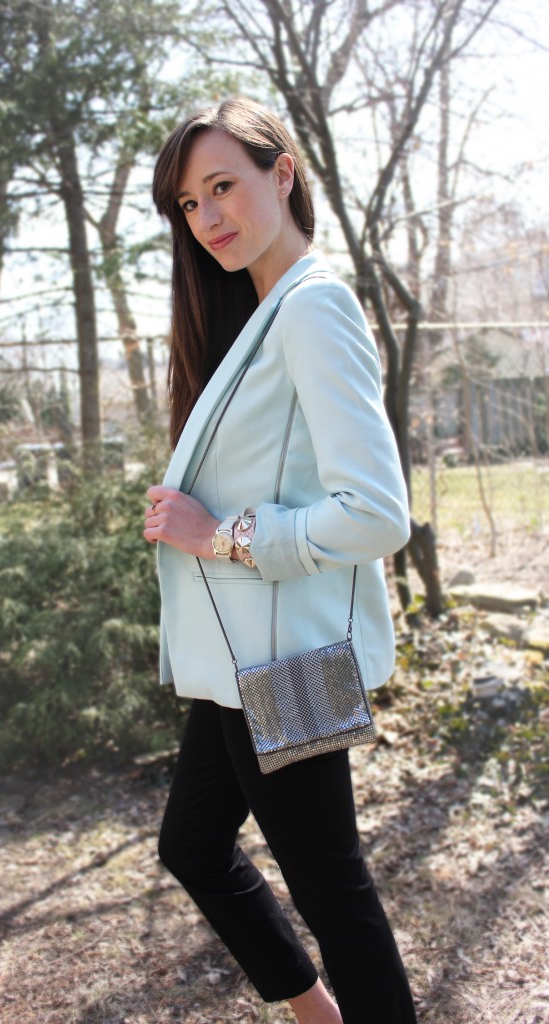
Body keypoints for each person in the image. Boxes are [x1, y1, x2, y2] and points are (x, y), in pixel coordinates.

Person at [142, 97, 417, 1024]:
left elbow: (377, 514)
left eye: (223, 186)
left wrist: (217, 533)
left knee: (334, 895)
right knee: (193, 845)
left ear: (283, 173)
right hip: (238, 657)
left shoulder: (313, 304)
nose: (208, 217)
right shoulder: (257, 314)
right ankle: (317, 1014)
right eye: (188, 203)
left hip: (288, 658)